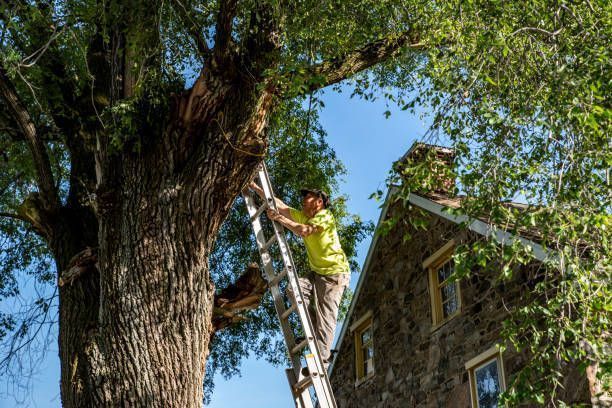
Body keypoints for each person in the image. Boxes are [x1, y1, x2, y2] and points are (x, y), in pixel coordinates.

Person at [249, 183, 350, 369]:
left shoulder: (325, 216)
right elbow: (280, 205)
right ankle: (313, 335)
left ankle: (322, 360)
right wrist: (255, 187)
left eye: (308, 197)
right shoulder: (304, 216)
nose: (303, 200)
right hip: (318, 272)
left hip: (335, 274)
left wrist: (279, 219)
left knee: (326, 318)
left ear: (319, 202)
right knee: (293, 290)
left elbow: (304, 231)